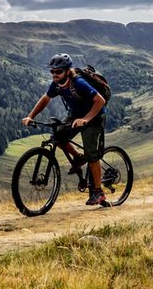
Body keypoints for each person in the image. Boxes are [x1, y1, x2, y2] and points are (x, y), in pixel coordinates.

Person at [23, 53, 107, 205]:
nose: (54, 74)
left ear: (68, 71)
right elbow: (45, 99)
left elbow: (100, 101)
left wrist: (86, 119)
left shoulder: (79, 82)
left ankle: (98, 191)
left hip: (94, 117)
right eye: (52, 71)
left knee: (92, 153)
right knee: (58, 136)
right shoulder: (56, 84)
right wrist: (31, 116)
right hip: (75, 115)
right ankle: (78, 157)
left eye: (58, 71)